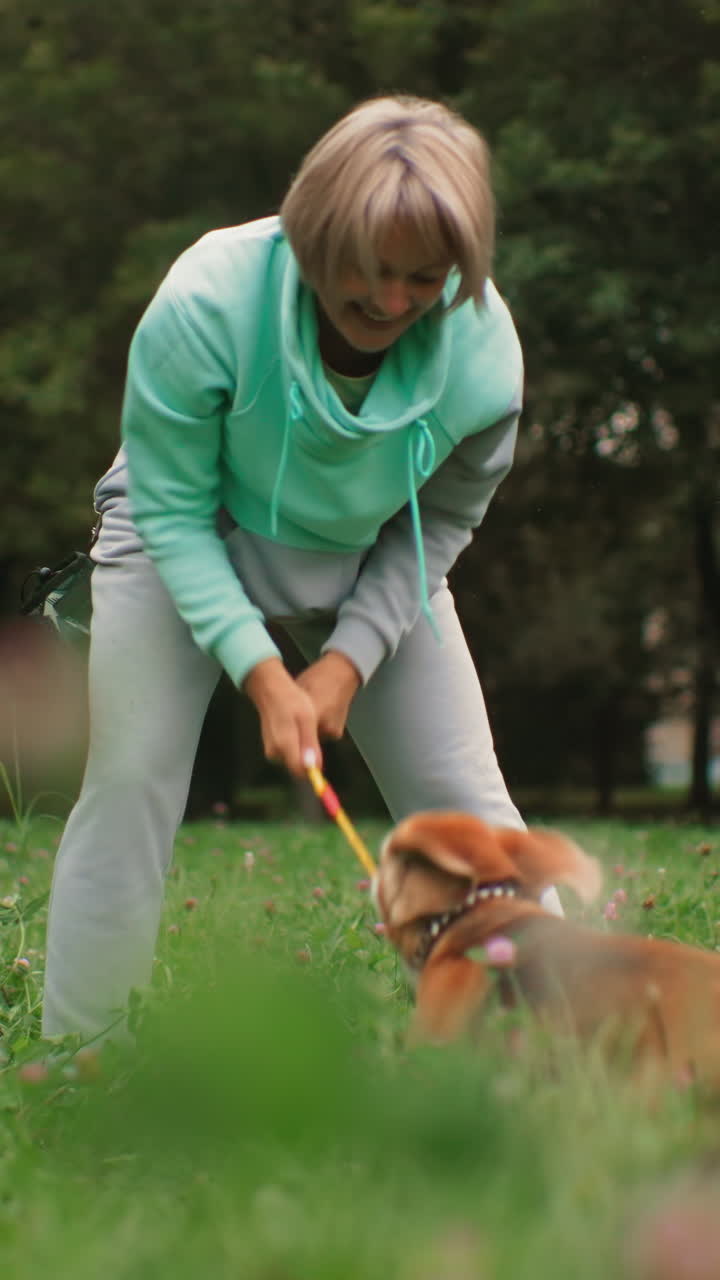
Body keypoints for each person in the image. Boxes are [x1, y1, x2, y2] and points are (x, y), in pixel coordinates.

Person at [42, 93, 560, 1044]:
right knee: (130, 783)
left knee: (470, 805)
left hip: (368, 553)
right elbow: (171, 507)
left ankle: (552, 1044)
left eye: (424, 277)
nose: (393, 302)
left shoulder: (486, 356)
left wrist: (346, 661)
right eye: (370, 270)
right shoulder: (207, 300)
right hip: (185, 528)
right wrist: (262, 670)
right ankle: (80, 1061)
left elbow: (443, 519)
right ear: (315, 231)